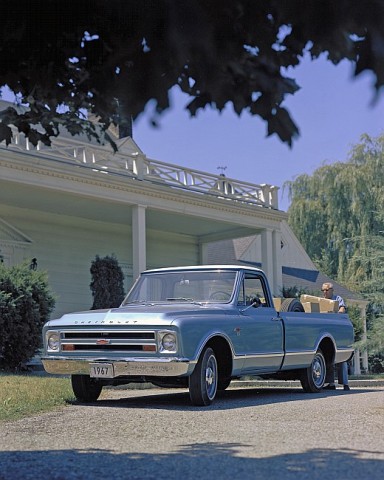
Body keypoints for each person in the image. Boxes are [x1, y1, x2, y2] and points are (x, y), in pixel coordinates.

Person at [321, 282, 350, 391]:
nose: (324, 292)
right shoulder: (322, 301)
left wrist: (333, 315)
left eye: (327, 290)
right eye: (323, 290)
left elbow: (342, 310)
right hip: (328, 332)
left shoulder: (338, 299)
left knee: (341, 359)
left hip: (338, 331)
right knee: (329, 357)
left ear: (332, 290)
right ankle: (331, 383)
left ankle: (345, 384)